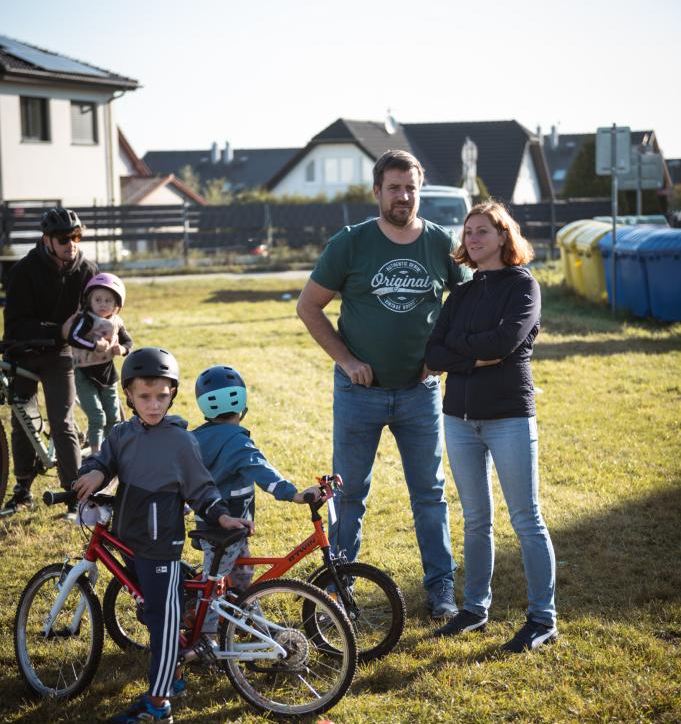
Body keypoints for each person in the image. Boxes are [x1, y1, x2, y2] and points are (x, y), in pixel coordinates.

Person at [296, 149, 468, 620]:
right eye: (394, 188)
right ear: (377, 192)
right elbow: (308, 307)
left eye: (411, 188)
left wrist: (441, 356)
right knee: (348, 494)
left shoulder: (440, 243)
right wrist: (347, 360)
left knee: (429, 494)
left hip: (419, 393)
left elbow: (467, 302)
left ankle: (441, 589)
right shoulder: (351, 243)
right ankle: (339, 590)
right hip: (359, 395)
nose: (403, 196)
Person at [73, 347, 252, 724]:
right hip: (128, 537)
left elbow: (201, 489)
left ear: (172, 394)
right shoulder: (122, 434)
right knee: (153, 606)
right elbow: (104, 459)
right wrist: (95, 472)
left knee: (162, 619)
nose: (153, 405)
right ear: (129, 395)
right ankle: (175, 670)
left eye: (161, 396)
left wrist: (221, 515)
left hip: (161, 545)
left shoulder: (180, 441)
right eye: (144, 397)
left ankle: (158, 703)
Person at [425, 201, 557, 652]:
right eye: (468, 232)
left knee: (526, 519)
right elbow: (433, 353)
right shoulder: (461, 293)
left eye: (482, 231)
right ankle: (474, 609)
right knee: (476, 519)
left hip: (508, 418)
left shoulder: (523, 286)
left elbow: (504, 342)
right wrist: (473, 355)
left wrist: (460, 351)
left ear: (503, 236)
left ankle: (542, 618)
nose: (473, 238)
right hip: (459, 420)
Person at [192, 364, 321, 630]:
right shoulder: (238, 443)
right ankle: (206, 636)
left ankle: (256, 626)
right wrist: (295, 495)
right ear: (242, 405)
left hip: (214, 523)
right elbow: (263, 472)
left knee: (241, 580)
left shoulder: (194, 439)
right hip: (228, 528)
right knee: (213, 586)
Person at [1, 207, 98, 517]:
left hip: (60, 355)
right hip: (24, 352)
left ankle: (73, 495)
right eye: (63, 239)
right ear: (47, 240)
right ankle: (22, 491)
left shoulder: (87, 271)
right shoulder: (23, 271)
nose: (71, 244)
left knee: (62, 422)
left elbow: (96, 314)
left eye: (76, 237)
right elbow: (15, 326)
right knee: (22, 423)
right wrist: (59, 330)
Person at [69, 273, 132, 451]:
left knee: (113, 417)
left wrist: (122, 349)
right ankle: (97, 455)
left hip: (107, 373)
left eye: (108, 300)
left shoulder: (116, 322)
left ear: (116, 304)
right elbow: (73, 337)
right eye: (98, 300)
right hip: (84, 373)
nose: (103, 304)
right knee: (97, 417)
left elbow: (128, 342)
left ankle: (111, 451)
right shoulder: (86, 320)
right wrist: (94, 345)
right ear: (89, 301)